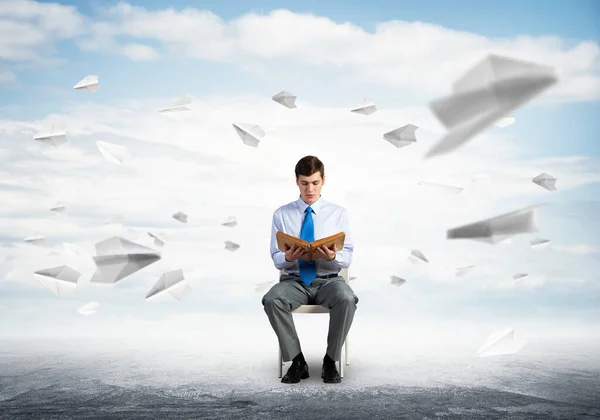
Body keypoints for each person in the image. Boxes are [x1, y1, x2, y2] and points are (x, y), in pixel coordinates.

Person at [262, 155, 358, 384]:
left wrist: (333, 255)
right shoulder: (281, 215)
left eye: (315, 183)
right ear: (297, 181)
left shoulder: (338, 213)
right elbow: (276, 258)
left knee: (347, 298)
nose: (310, 189)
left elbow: (348, 256)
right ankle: (296, 361)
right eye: (305, 183)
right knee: (271, 299)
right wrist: (287, 256)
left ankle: (330, 361)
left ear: (323, 180)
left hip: (329, 280)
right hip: (294, 281)